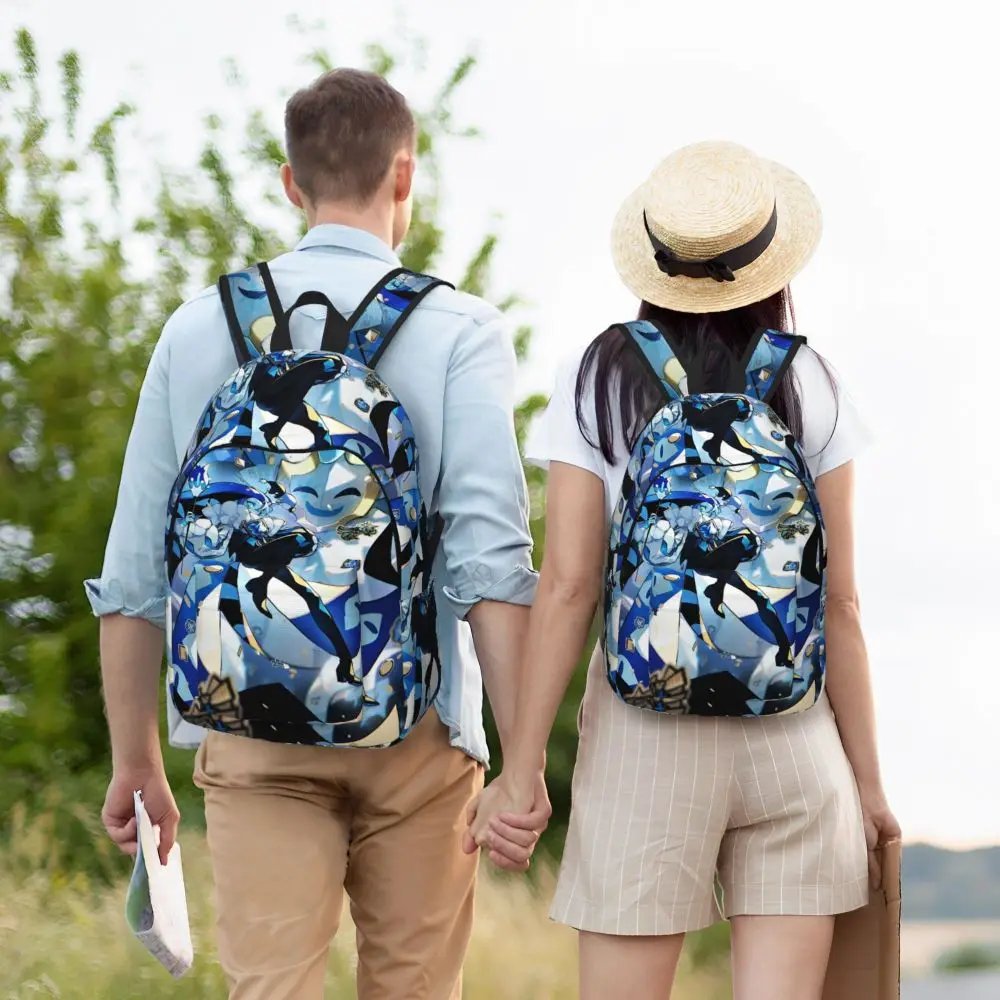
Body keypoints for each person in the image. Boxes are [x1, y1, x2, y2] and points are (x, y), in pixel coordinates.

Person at [87, 68, 549, 1000]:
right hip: (418, 730)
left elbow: (137, 569)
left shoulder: (196, 329)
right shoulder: (460, 329)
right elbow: (490, 565)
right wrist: (522, 762)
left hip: (248, 729)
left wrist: (136, 762)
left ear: (291, 183)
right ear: (405, 177)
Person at [468, 140, 901, 1000]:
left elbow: (568, 587)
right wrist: (869, 787)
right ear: (770, 263)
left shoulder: (599, 375)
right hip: (794, 737)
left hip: (644, 737)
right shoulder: (811, 380)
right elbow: (841, 604)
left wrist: (520, 770)